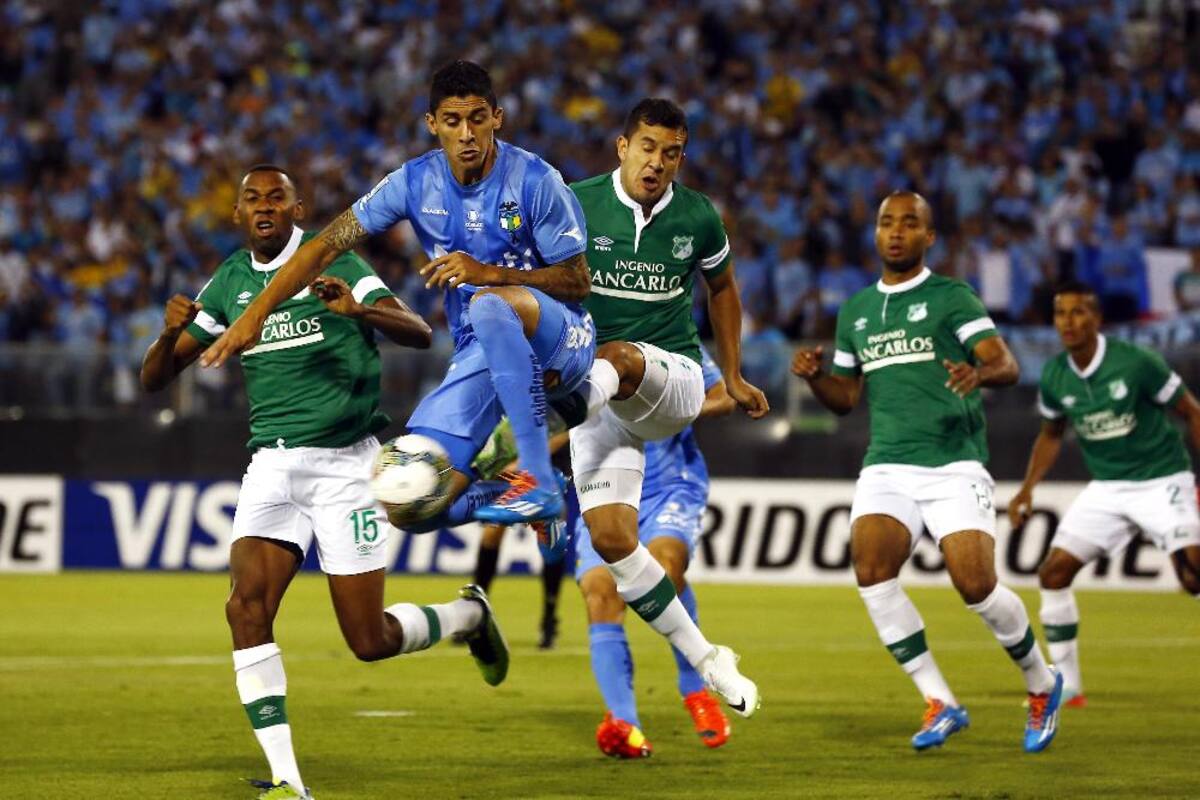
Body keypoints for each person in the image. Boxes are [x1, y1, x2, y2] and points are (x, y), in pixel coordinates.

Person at [141, 165, 509, 800]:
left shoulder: (334, 262)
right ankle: (288, 780)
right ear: (237, 214)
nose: (263, 206)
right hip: (273, 467)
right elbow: (155, 380)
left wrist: (359, 309)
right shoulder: (229, 281)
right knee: (244, 609)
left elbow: (420, 334)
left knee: (368, 642)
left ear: (296, 208)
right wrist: (171, 330)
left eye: (275, 197)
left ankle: (466, 616)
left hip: (346, 468)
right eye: (251, 198)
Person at [199, 61, 595, 531]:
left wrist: (487, 273)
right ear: (432, 125)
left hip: (560, 339)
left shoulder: (534, 180)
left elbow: (577, 280)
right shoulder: (414, 182)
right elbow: (324, 245)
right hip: (481, 352)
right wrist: (256, 316)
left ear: (497, 118)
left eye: (477, 118)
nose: (467, 133)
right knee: (405, 498)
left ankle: (537, 479)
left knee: (489, 302)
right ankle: (536, 503)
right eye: (452, 121)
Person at [791, 190, 1064, 753]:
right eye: (886, 222)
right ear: (876, 233)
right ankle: (941, 700)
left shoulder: (951, 297)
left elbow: (1005, 363)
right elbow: (845, 398)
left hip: (952, 462)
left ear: (928, 237)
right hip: (887, 464)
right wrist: (816, 378)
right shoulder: (857, 309)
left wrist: (977, 373)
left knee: (975, 585)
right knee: (871, 571)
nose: (895, 232)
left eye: (909, 223)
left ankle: (1042, 682)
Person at [565, 98, 769, 719]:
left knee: (620, 355)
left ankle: (529, 432)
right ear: (621, 146)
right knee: (611, 543)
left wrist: (729, 374)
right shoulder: (575, 204)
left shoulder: (699, 216)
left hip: (669, 381)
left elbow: (723, 286)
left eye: (672, 153)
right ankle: (710, 660)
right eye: (648, 147)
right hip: (601, 404)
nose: (658, 163)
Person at [1007, 281, 1200, 705]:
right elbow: (1051, 434)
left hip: (1161, 477)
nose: (1068, 322)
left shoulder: (1136, 363)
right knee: (1052, 573)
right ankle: (1069, 686)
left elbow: (1190, 411)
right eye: (1060, 314)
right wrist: (1027, 489)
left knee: (1192, 577)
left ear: (1096, 319)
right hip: (1109, 488)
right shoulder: (1056, 374)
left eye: (1078, 313)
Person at [577, 345, 736, 757]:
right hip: (601, 479)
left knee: (666, 568)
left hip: (668, 484)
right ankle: (625, 725)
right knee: (599, 592)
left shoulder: (675, 336)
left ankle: (696, 690)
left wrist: (664, 408)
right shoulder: (575, 336)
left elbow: (722, 396)